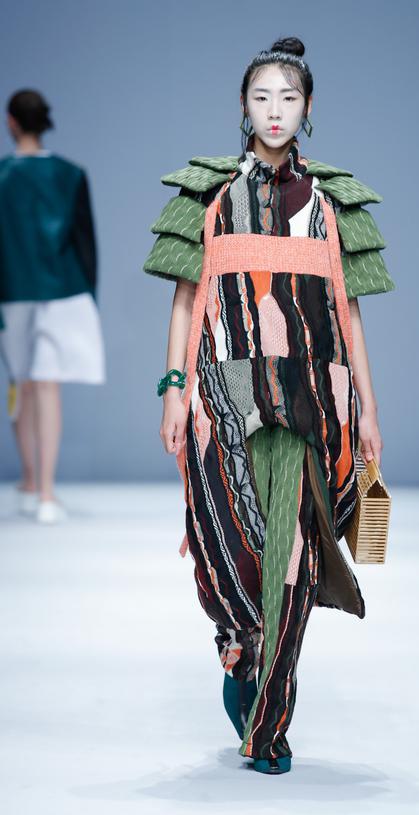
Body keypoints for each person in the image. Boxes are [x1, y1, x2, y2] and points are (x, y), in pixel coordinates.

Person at [143, 37, 396, 774]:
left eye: (288, 98)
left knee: (294, 560)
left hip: (312, 397)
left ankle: (269, 724)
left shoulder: (332, 201)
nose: (275, 111)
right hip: (222, 396)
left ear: (308, 106)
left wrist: (370, 409)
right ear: (243, 107)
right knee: (231, 546)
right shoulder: (208, 196)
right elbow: (185, 300)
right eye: (262, 98)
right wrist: (173, 388)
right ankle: (239, 648)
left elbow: (349, 315)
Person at [0, 89, 105, 523]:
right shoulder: (70, 174)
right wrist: (90, 295)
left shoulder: (3, 176)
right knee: (47, 387)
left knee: (22, 383)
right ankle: (44, 493)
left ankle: (30, 482)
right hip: (64, 289)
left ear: (12, 121)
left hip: (13, 290)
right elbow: (85, 241)